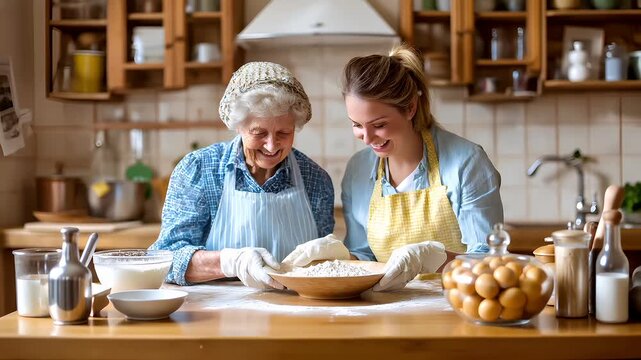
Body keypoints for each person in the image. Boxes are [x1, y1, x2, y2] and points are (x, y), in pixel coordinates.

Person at [283, 44, 503, 291]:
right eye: (356, 124)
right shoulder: (358, 171)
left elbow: (490, 262)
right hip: (386, 312)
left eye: (378, 125)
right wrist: (340, 257)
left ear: (410, 108)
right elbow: (365, 257)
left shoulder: (466, 162)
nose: (366, 138)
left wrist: (434, 260)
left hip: (456, 305)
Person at [150, 62, 335, 290]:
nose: (271, 145)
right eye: (259, 133)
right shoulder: (199, 170)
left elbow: (326, 264)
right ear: (238, 126)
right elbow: (164, 261)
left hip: (298, 312)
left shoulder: (315, 179)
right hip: (214, 317)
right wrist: (230, 263)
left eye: (283, 133)